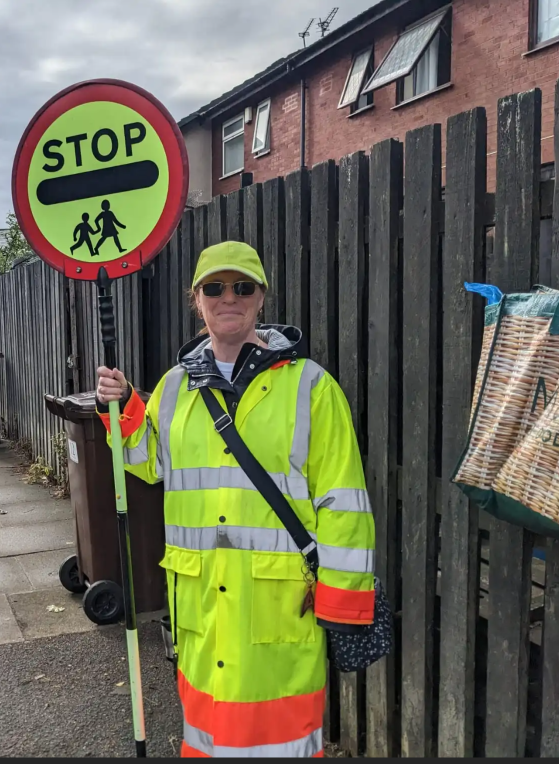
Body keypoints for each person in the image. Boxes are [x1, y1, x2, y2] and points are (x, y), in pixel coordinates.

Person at [96, 240, 376, 758]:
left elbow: (345, 502)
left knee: (284, 743)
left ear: (261, 298)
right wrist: (123, 407)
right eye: (215, 288)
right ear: (196, 299)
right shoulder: (176, 386)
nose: (230, 297)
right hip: (203, 610)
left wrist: (344, 601)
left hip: (281, 610)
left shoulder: (311, 387)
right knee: (207, 740)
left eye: (243, 286)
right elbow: (147, 461)